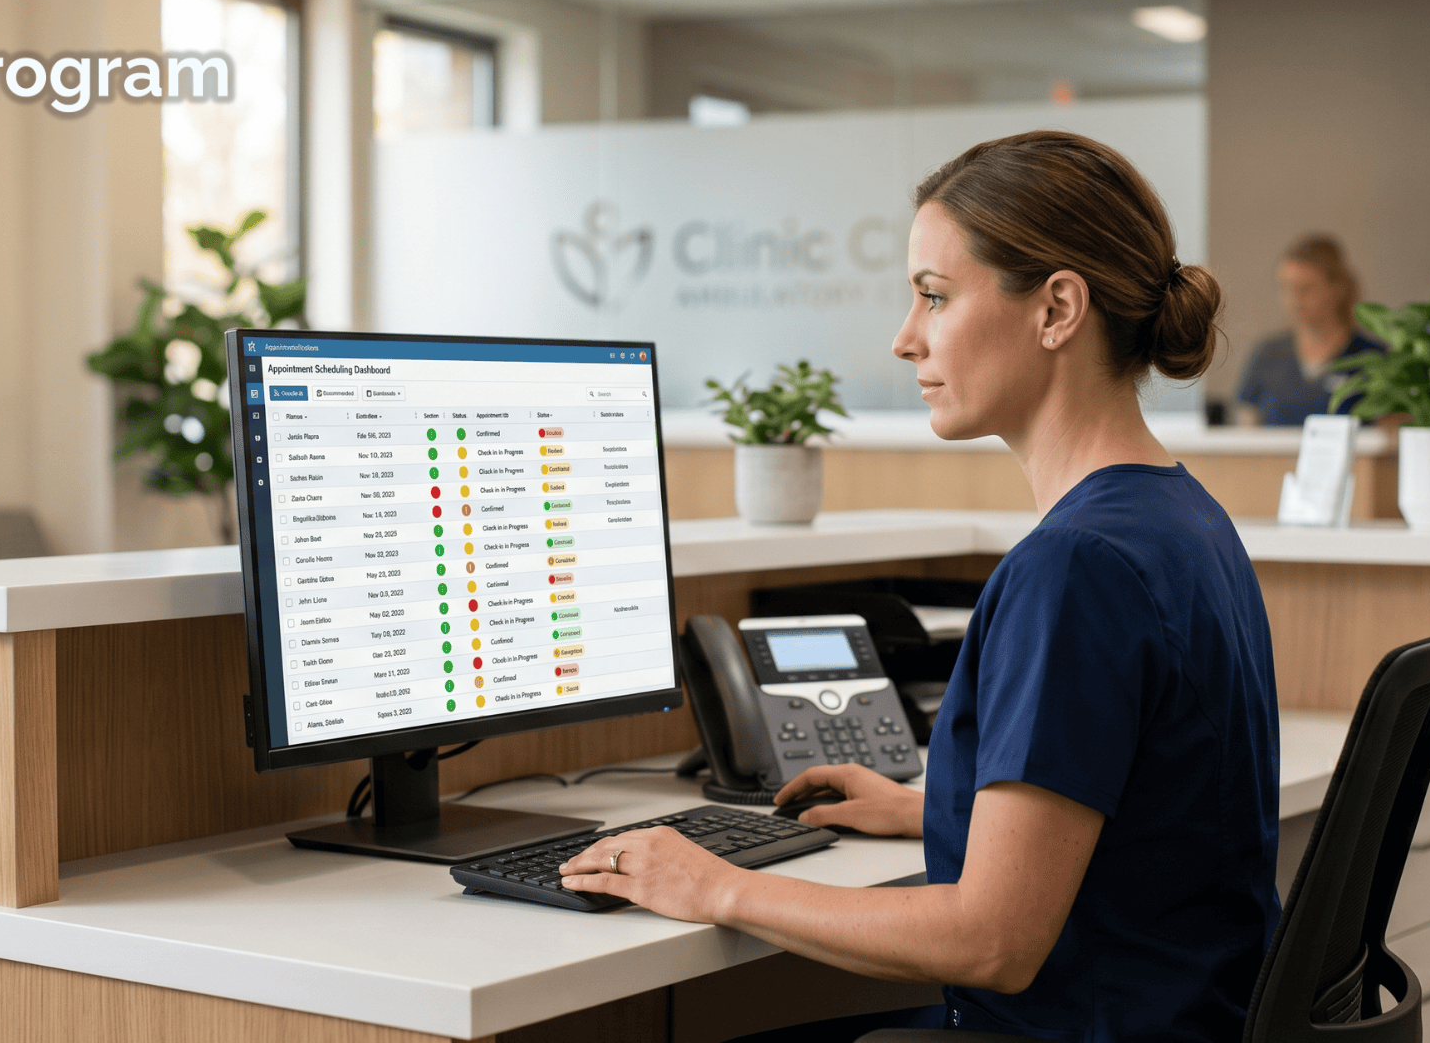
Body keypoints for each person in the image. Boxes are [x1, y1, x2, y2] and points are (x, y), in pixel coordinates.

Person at [558, 131, 1281, 1043]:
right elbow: (1142, 814)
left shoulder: (1076, 567)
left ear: (1058, 307)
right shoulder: (1182, 519)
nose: (906, 340)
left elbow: (993, 943)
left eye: (935, 298)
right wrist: (928, 809)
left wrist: (716, 883)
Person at [1234, 235, 1385, 426]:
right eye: (1287, 288)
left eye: (1306, 289)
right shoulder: (1267, 356)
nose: (1294, 300)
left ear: (1336, 289)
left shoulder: (1372, 358)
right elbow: (1246, 427)